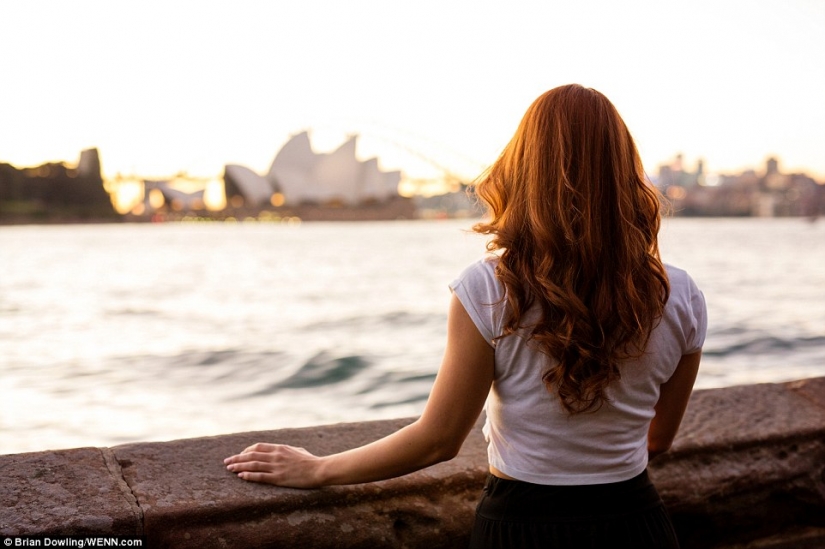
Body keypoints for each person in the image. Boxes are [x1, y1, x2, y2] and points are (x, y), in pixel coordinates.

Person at [224, 84, 707, 548]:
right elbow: (658, 439)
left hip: (522, 527)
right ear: (625, 172)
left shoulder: (489, 287)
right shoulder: (681, 294)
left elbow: (439, 440)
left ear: (524, 168)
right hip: (636, 523)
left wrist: (318, 469)